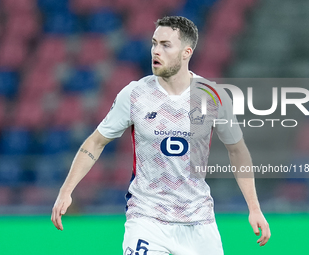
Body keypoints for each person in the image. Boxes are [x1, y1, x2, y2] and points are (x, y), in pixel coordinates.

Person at [51, 16, 270, 254]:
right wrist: (66, 190)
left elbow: (237, 150)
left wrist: (254, 207)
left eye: (166, 45)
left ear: (186, 52)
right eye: (154, 43)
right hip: (147, 219)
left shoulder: (212, 96)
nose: (156, 51)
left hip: (198, 222)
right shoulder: (135, 94)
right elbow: (96, 142)